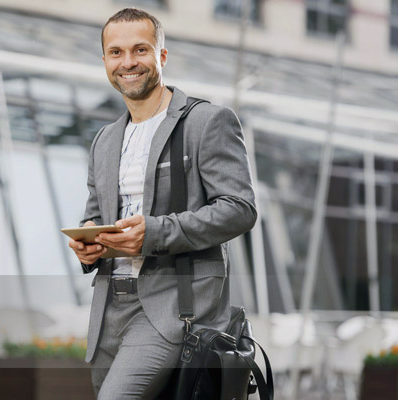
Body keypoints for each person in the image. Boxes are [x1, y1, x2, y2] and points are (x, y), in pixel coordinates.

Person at [68, 7, 258, 399]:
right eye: (116, 52)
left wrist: (153, 233)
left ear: (162, 56)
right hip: (109, 309)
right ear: (104, 60)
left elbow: (240, 208)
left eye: (140, 50)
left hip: (172, 307)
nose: (128, 62)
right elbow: (96, 215)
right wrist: (88, 245)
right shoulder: (104, 139)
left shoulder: (206, 121)